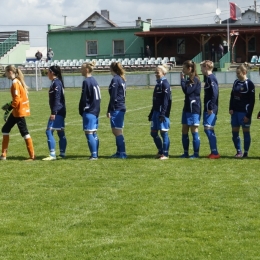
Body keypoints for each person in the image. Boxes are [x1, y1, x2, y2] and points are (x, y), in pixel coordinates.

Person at [0, 65, 35, 160]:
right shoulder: (17, 82)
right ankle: (3, 155)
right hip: (17, 111)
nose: (5, 74)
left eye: (6, 72)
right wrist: (8, 104)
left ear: (10, 72)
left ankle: (32, 156)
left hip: (19, 111)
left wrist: (8, 110)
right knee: (5, 129)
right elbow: (17, 99)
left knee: (24, 132)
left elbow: (17, 100)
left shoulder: (15, 83)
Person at [229, 63, 255, 158]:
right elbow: (232, 96)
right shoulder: (236, 82)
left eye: (238, 73)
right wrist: (231, 108)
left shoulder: (249, 84)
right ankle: (238, 151)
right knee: (234, 132)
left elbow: (252, 101)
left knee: (246, 132)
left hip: (244, 112)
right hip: (235, 112)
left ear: (244, 72)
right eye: (236, 73)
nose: (237, 75)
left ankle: (246, 152)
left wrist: (248, 115)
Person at [42, 65, 67, 160]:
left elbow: (57, 98)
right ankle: (62, 153)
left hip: (58, 111)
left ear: (52, 72)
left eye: (48, 72)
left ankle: (52, 154)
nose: (47, 74)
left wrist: (54, 112)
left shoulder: (56, 83)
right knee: (60, 132)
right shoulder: (57, 82)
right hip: (61, 110)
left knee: (49, 131)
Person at [148, 64, 172, 160]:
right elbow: (155, 101)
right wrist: (151, 112)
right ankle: (160, 150)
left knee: (163, 133)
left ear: (163, 73)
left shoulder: (165, 84)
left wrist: (163, 113)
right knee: (153, 133)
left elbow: (166, 101)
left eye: (157, 72)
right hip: (156, 112)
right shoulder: (158, 84)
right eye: (155, 72)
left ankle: (165, 154)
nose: (156, 74)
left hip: (162, 113)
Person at [79, 62, 101, 160]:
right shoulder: (94, 81)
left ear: (86, 70)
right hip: (95, 110)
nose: (80, 70)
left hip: (89, 111)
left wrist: (82, 109)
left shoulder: (86, 82)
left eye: (82, 68)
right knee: (94, 133)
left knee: (89, 133)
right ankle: (96, 153)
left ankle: (94, 155)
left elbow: (84, 99)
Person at [180, 60, 201, 159]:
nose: (183, 70)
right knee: (184, 129)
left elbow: (187, 91)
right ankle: (185, 153)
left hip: (194, 109)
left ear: (189, 69)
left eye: (184, 68)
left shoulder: (195, 79)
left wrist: (182, 80)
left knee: (194, 130)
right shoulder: (189, 79)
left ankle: (196, 154)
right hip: (187, 108)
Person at [200, 60, 220, 159]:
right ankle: (214, 151)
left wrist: (211, 107)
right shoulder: (208, 78)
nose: (201, 69)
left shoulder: (211, 78)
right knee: (208, 129)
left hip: (210, 108)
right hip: (208, 107)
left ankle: (215, 152)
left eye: (202, 67)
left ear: (206, 67)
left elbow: (214, 93)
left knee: (208, 129)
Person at [107, 62, 127, 159]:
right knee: (118, 130)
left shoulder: (115, 79)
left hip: (117, 107)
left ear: (112, 69)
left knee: (117, 131)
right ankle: (119, 152)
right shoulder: (121, 78)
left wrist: (109, 109)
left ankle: (122, 153)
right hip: (121, 106)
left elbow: (113, 96)